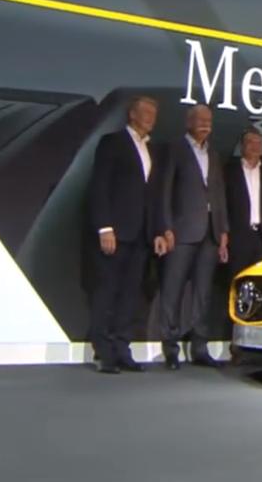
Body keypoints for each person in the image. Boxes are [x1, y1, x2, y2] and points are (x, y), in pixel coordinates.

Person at [87, 95, 167, 374]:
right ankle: (103, 352)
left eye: (153, 114)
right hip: (116, 233)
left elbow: (154, 195)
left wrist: (158, 231)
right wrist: (105, 227)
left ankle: (123, 349)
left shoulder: (151, 149)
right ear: (132, 114)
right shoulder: (112, 142)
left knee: (130, 296)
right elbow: (100, 186)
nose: (150, 118)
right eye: (145, 112)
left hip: (142, 235)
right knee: (107, 292)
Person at [156, 104, 229, 370]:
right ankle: (170, 349)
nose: (205, 123)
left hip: (210, 233)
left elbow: (219, 195)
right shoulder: (174, 149)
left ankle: (199, 348)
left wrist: (223, 232)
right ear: (188, 122)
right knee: (172, 291)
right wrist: (165, 227)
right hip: (181, 232)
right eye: (200, 119)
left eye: (209, 119)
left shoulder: (214, 154)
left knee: (203, 294)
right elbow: (163, 191)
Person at [224, 129, 262, 274]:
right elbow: (222, 207)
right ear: (242, 146)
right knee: (237, 279)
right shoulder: (228, 172)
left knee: (261, 280)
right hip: (237, 239)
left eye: (259, 143)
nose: (255, 146)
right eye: (250, 142)